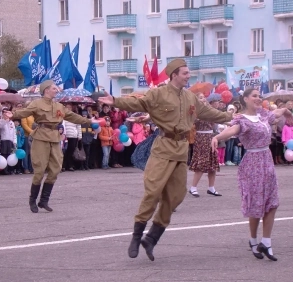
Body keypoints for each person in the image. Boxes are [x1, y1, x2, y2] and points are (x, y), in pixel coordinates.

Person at [98, 58, 233, 261]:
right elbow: (139, 102)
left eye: (188, 73)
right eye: (185, 73)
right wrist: (115, 101)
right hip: (163, 148)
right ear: (174, 75)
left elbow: (209, 113)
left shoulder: (191, 97)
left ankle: (151, 238)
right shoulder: (158, 93)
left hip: (181, 150)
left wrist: (231, 118)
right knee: (153, 192)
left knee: (176, 196)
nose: (189, 76)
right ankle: (136, 236)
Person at [211, 88, 293, 262]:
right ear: (246, 99)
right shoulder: (242, 119)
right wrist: (217, 137)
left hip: (267, 161)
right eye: (254, 96)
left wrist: (286, 111)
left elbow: (278, 112)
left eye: (259, 96)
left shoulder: (263, 115)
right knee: (256, 205)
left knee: (272, 202)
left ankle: (266, 242)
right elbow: (233, 130)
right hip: (253, 163)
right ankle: (253, 240)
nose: (258, 98)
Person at [5, 80, 95, 213]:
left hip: (54, 138)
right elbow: (25, 111)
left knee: (56, 169)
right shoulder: (37, 103)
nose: (57, 90)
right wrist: (14, 115)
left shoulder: (59, 106)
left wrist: (88, 121)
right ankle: (32, 200)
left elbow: (72, 116)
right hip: (41, 137)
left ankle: (43, 201)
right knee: (40, 170)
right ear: (46, 90)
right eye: (54, 88)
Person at [189, 93, 221, 197]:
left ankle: (211, 187)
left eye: (204, 97)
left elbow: (216, 121)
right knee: (201, 163)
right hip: (201, 138)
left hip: (210, 137)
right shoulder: (195, 111)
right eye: (200, 97)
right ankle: (193, 187)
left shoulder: (209, 110)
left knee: (212, 163)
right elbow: (193, 122)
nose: (203, 99)